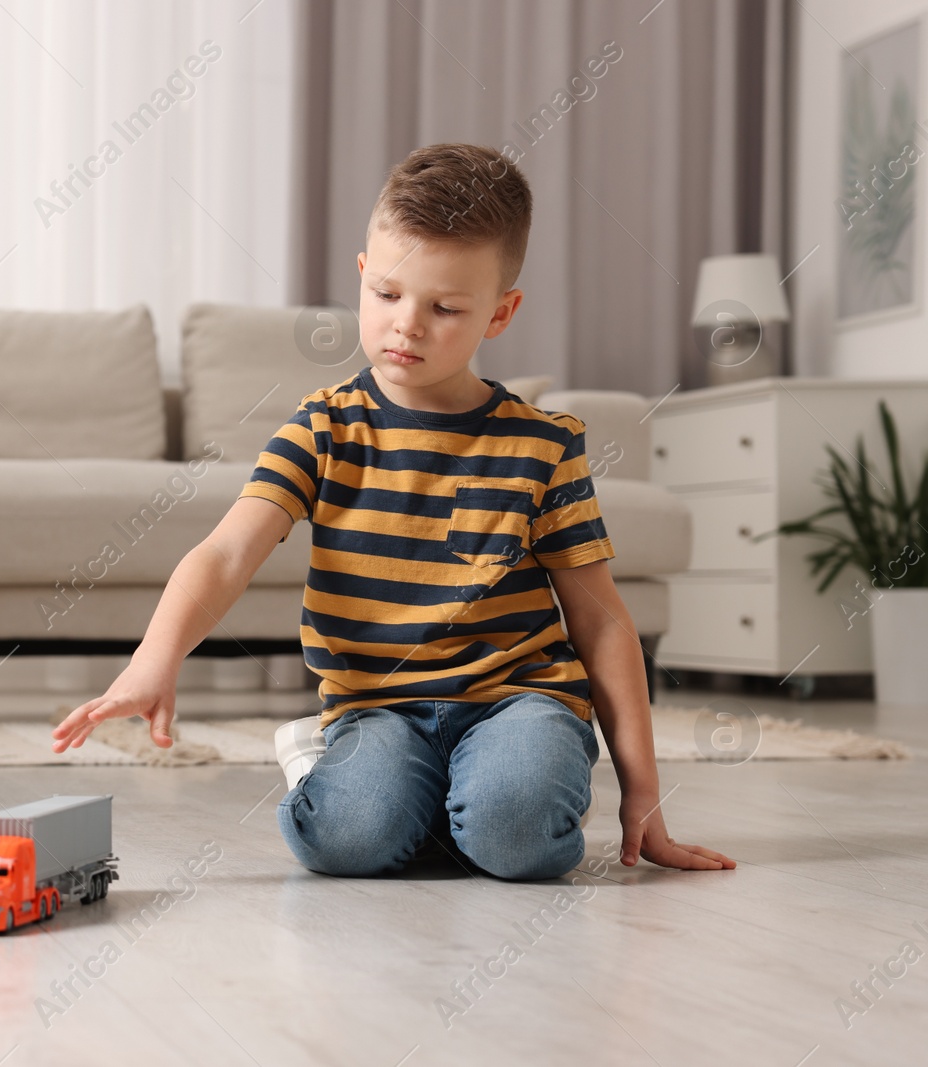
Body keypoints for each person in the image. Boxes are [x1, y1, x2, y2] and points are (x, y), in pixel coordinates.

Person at [52, 143, 734, 880]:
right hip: (377, 708)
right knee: (344, 840)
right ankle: (387, 786)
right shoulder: (321, 430)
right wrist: (154, 661)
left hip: (520, 700)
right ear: (361, 277)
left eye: (444, 308)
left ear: (500, 313)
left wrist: (644, 795)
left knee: (522, 842)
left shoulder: (546, 445)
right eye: (386, 294)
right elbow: (224, 553)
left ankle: (499, 799)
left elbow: (600, 619)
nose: (406, 324)